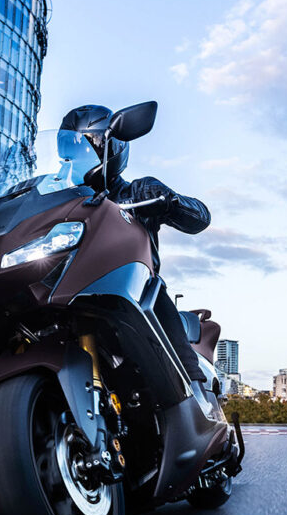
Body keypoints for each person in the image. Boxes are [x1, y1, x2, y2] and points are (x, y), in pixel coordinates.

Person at [59, 104, 211, 382]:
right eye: (69, 148)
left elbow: (201, 217)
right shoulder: (59, 200)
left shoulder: (138, 191)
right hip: (73, 286)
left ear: (111, 148)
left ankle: (193, 393)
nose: (75, 155)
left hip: (132, 288)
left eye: (84, 147)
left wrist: (171, 202)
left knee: (154, 292)